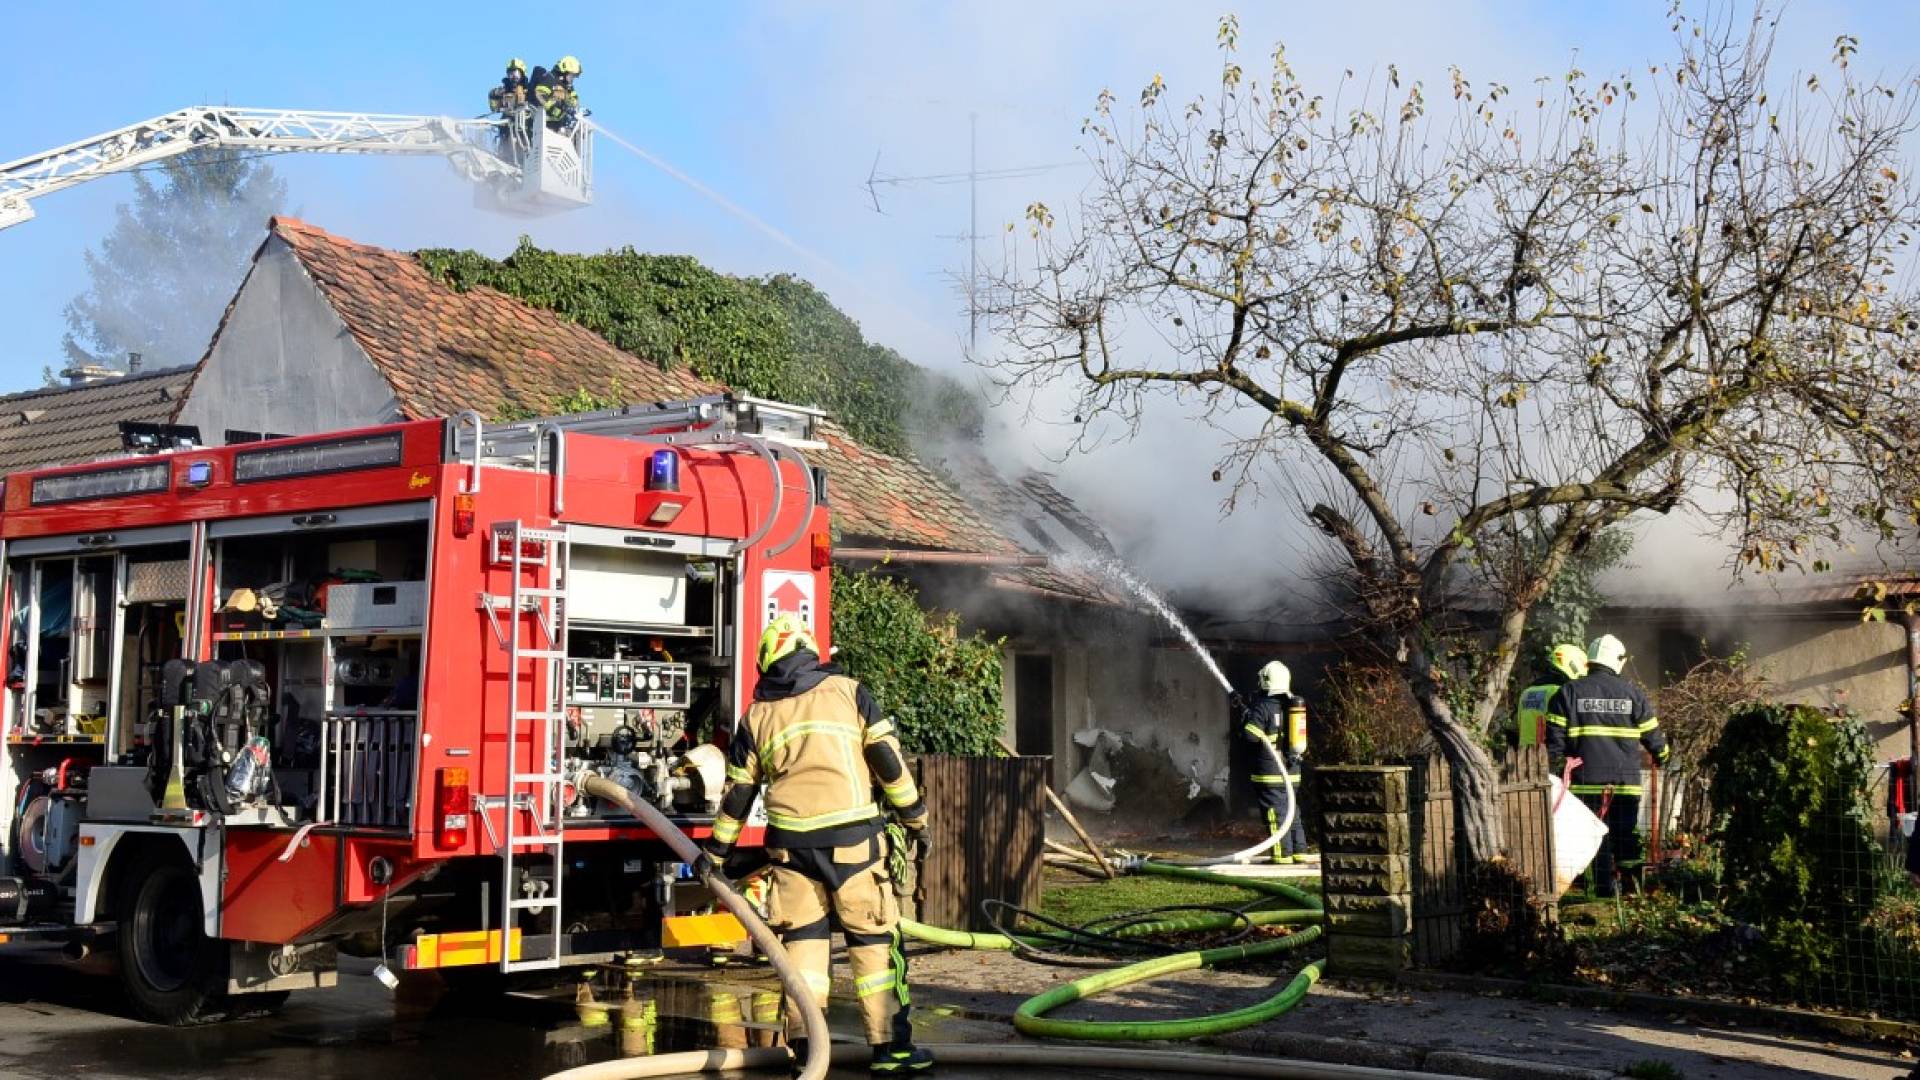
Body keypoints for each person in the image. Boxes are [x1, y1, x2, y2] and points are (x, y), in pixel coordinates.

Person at [702, 614, 933, 1076]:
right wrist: (916, 819)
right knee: (874, 945)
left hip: (791, 854)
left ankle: (808, 1053)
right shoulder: (849, 693)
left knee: (803, 952)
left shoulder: (757, 715)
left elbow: (739, 794)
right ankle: (891, 1052)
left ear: (768, 662)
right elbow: (887, 761)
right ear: (809, 651)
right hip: (855, 847)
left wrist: (715, 854)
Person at [1546, 633, 1669, 897]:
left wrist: (1555, 772)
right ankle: (1632, 890)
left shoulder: (1567, 692)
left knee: (1592, 837)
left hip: (1584, 784)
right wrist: (1663, 755)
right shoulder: (1633, 694)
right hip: (1624, 785)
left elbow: (1553, 743)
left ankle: (1600, 891)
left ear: (1590, 660)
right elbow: (1654, 738)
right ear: (1618, 661)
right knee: (1625, 837)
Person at [1234, 660, 1309, 864]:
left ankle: (1282, 855)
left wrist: (1247, 719)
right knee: (1293, 812)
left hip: (1270, 773)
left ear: (1265, 681)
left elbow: (1250, 736)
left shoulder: (1263, 707)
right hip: (1292, 772)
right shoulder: (1292, 705)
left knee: (1276, 815)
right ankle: (1299, 851)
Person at [1513, 643, 1587, 748]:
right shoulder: (1561, 693)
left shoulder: (1526, 693)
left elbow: (1519, 727)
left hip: (1524, 755)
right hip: (1550, 755)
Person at [536, 55, 584, 131]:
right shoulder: (550, 79)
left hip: (559, 126)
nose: (572, 79)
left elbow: (574, 100)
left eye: (574, 77)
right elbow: (540, 95)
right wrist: (557, 111)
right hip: (545, 124)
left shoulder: (567, 86)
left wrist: (576, 110)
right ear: (564, 72)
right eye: (571, 76)